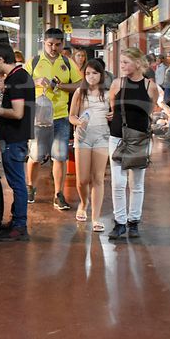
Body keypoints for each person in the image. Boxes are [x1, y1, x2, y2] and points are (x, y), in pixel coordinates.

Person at [24, 28, 82, 210]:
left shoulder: (67, 62)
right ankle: (31, 188)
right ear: (44, 43)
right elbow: (20, 84)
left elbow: (80, 84)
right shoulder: (33, 62)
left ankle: (58, 195)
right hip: (38, 118)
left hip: (60, 117)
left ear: (63, 44)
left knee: (60, 156)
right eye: (50, 44)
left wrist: (62, 86)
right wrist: (35, 82)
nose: (53, 48)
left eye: (57, 44)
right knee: (35, 156)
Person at [0, 43, 35, 242]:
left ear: (1, 60)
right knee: (16, 182)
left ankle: (20, 225)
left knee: (18, 184)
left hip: (14, 139)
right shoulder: (17, 77)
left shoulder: (17, 79)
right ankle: (16, 222)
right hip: (14, 138)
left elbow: (18, 112)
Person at [106, 47, 158, 240]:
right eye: (122, 62)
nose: (123, 66)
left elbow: (150, 109)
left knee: (136, 183)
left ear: (138, 63)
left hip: (139, 139)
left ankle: (133, 221)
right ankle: (119, 222)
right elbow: (112, 105)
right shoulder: (117, 83)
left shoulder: (149, 86)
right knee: (118, 182)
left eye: (126, 62)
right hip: (118, 136)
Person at [68, 59, 110, 231]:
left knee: (98, 179)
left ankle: (96, 218)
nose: (91, 77)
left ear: (101, 75)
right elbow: (71, 116)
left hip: (102, 137)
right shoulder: (80, 92)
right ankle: (84, 203)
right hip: (82, 138)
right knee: (82, 179)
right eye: (88, 73)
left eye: (95, 73)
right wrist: (77, 122)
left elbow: (114, 114)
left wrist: (113, 116)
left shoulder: (108, 94)